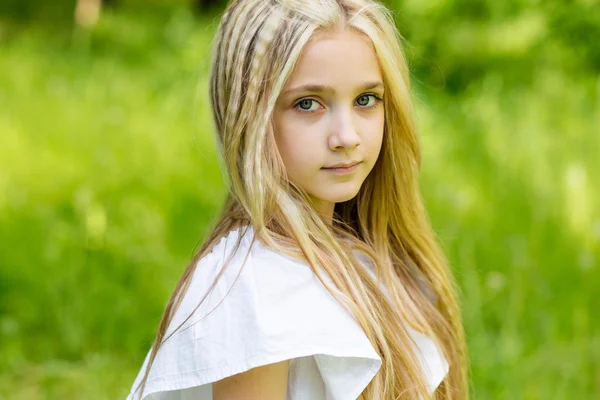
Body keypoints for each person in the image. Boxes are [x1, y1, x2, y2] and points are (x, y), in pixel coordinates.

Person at [125, 0, 468, 399]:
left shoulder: (372, 254)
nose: (347, 136)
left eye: (366, 100)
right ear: (250, 117)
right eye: (308, 104)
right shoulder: (252, 284)